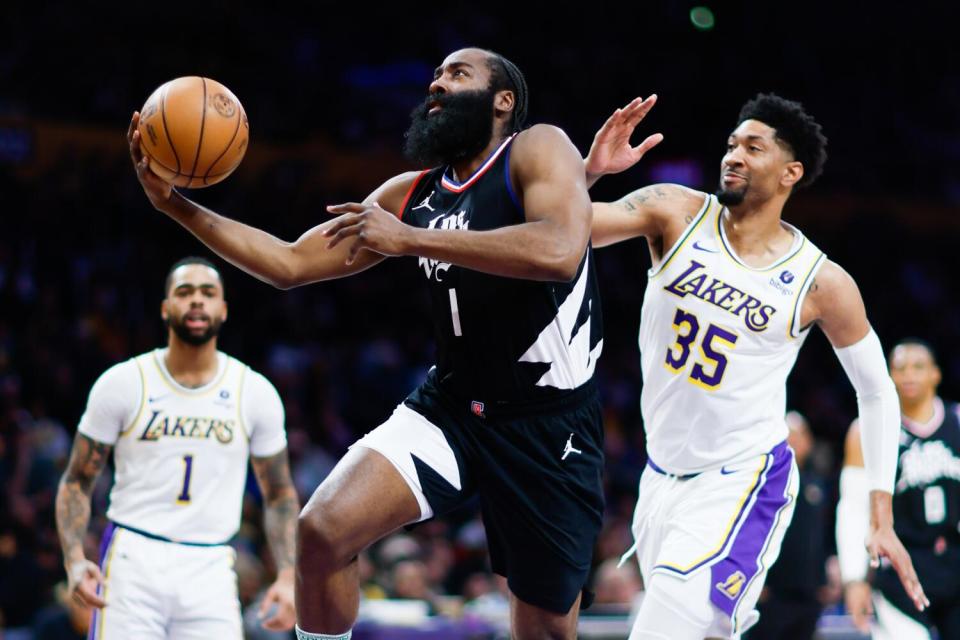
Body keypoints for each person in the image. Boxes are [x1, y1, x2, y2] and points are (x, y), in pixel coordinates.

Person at [128, 48, 604, 640]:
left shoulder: (537, 149)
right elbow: (288, 263)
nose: (437, 83)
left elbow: (558, 252)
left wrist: (410, 240)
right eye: (435, 74)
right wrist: (175, 205)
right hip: (454, 408)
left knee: (544, 632)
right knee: (323, 530)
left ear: (503, 100)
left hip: (547, 426)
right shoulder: (411, 194)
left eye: (458, 74)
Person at [583, 93, 927, 639]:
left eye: (753, 147)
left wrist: (880, 515)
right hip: (661, 477)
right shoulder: (676, 210)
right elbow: (560, 236)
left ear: (791, 172)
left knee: (661, 629)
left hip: (743, 479)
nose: (733, 155)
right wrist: (588, 172)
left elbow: (878, 391)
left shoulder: (820, 280)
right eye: (731, 144)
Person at [54, 257, 298, 638]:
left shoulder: (254, 391)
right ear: (166, 308)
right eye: (185, 292)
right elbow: (77, 480)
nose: (196, 301)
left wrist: (286, 575)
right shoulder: (123, 382)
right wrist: (73, 560)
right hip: (133, 557)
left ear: (224, 309)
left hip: (212, 564)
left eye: (208, 293)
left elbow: (280, 494)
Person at [837, 339, 960, 639]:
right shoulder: (864, 430)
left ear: (936, 374)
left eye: (918, 367)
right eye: (900, 368)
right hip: (899, 570)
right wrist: (854, 579)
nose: (908, 375)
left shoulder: (957, 419)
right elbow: (853, 509)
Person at [745, 411, 830, 640]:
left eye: (800, 435)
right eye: (789, 435)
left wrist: (823, 578)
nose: (794, 441)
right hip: (773, 592)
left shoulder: (817, 484)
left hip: (809, 591)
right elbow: (752, 533)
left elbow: (821, 534)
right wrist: (755, 579)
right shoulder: (762, 484)